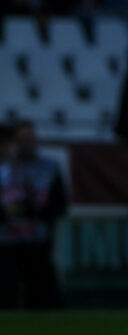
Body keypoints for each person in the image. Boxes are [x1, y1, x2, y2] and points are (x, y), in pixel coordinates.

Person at [0, 120, 67, 308]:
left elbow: (60, 204)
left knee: (44, 298)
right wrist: (6, 212)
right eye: (22, 138)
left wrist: (35, 210)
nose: (28, 142)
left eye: (31, 138)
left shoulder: (49, 167)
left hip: (37, 242)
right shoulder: (4, 167)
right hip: (5, 243)